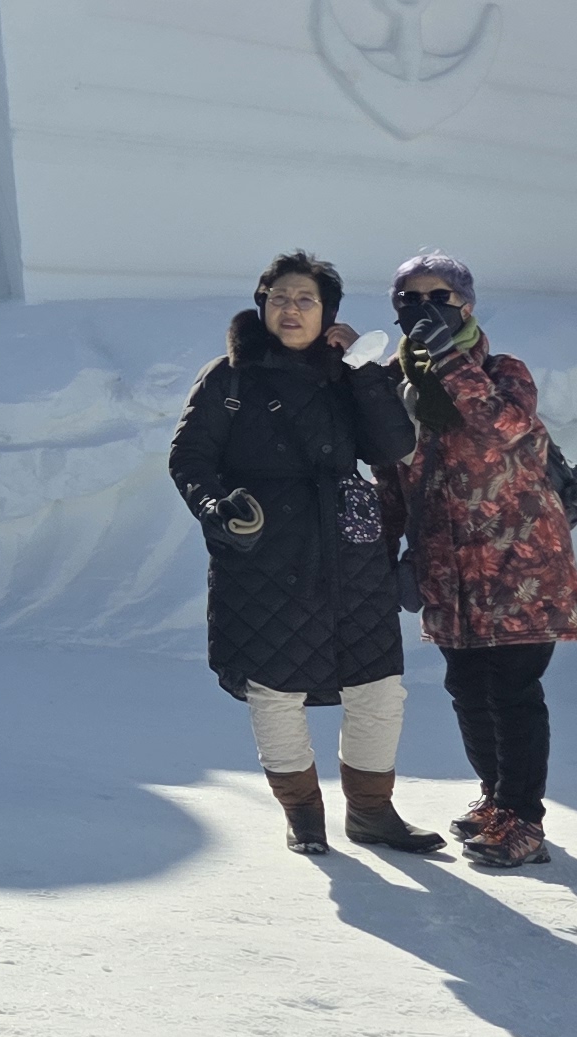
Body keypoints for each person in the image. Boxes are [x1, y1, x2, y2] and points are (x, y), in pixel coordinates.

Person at [166, 252, 437, 856]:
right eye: (280, 298)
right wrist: (216, 509)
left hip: (352, 550)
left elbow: (393, 445)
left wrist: (364, 370)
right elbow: (189, 459)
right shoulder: (227, 378)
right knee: (275, 690)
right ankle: (304, 815)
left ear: (328, 313)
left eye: (305, 300)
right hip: (263, 550)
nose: (291, 310)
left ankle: (371, 813)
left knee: (378, 687)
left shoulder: (346, 373)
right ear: (262, 305)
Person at [392, 251, 577, 870]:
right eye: (410, 299)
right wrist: (389, 551)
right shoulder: (399, 386)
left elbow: (505, 428)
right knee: (467, 687)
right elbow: (395, 474)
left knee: (513, 689)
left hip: (521, 563)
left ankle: (523, 818)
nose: (425, 311)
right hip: (448, 566)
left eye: (440, 299)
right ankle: (496, 798)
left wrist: (448, 359)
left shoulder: (504, 372)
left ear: (467, 306)